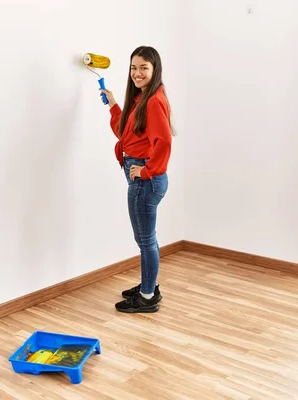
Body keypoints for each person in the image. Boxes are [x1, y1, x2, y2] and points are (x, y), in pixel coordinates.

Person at [100, 46, 174, 313]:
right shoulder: (143, 99)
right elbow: (126, 134)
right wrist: (113, 104)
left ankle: (147, 296)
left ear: (154, 70)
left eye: (144, 67)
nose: (137, 73)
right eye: (134, 67)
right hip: (144, 179)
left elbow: (163, 141)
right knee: (146, 239)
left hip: (146, 180)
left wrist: (146, 171)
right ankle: (148, 285)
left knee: (145, 240)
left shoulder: (153, 101)